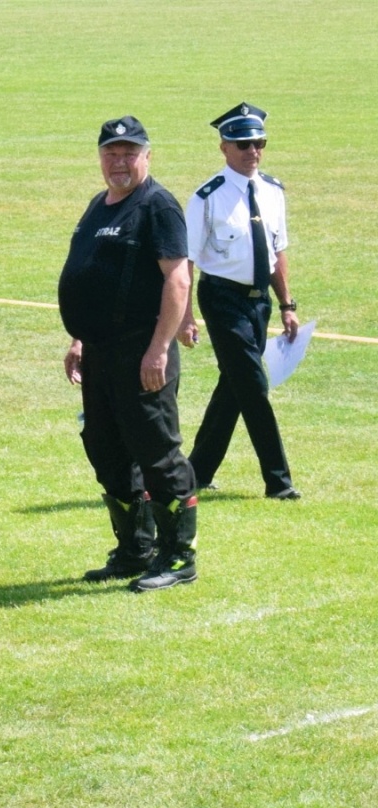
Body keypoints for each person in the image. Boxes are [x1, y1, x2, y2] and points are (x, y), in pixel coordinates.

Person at [59, 116, 200, 592]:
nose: (119, 162)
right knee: (106, 450)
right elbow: (89, 274)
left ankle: (178, 557)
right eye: (111, 153)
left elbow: (178, 279)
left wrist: (159, 349)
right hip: (100, 354)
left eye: (129, 153)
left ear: (147, 156)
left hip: (141, 352)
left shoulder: (157, 206)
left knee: (157, 453)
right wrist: (79, 338)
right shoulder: (98, 205)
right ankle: (134, 549)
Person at [180, 103, 302, 500]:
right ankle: (279, 481)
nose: (253, 151)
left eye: (259, 143)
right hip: (222, 299)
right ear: (224, 148)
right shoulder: (207, 197)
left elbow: (277, 251)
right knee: (253, 385)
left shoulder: (272, 191)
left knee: (233, 385)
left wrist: (286, 305)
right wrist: (185, 316)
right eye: (243, 144)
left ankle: (197, 470)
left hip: (259, 302)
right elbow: (186, 261)